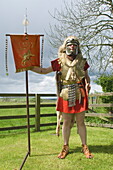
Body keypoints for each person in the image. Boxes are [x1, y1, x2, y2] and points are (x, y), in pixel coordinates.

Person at [29, 36, 93, 159]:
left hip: (80, 94)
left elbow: (86, 76)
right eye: (70, 44)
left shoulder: (82, 62)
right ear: (66, 46)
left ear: (77, 47)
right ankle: (65, 146)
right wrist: (29, 66)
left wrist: (88, 83)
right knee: (67, 122)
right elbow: (43, 71)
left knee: (81, 122)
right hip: (65, 94)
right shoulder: (59, 61)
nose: (72, 46)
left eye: (74, 44)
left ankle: (84, 146)